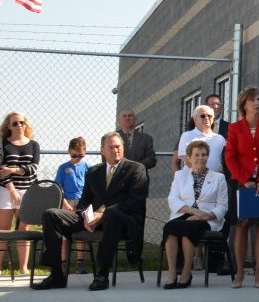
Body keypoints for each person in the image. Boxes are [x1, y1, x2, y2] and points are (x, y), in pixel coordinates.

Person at [32, 132, 149, 291]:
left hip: (121, 220)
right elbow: (84, 201)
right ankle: (56, 275)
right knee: (51, 215)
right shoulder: (94, 171)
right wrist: (85, 215)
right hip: (93, 218)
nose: (116, 150)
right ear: (102, 150)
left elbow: (135, 201)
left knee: (112, 214)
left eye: (118, 146)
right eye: (111, 147)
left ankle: (102, 274)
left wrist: (103, 213)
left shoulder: (136, 168)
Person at [224, 86, 259, 289]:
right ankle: (239, 273)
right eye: (253, 100)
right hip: (242, 182)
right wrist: (244, 178)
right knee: (241, 226)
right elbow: (230, 156)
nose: (257, 103)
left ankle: (258, 273)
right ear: (244, 104)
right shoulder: (234, 128)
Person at [161, 140, 228, 288]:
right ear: (189, 158)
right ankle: (172, 272)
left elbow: (223, 206)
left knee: (189, 228)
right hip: (184, 214)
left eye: (204, 155)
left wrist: (204, 215)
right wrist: (193, 211)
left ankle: (186, 273)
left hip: (208, 218)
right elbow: (173, 200)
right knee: (170, 227)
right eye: (196, 155)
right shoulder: (180, 175)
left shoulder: (218, 178)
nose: (200, 158)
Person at [1, 111, 41, 275]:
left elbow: (33, 169)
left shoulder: (34, 145)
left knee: (23, 228)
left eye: (22, 122)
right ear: (8, 127)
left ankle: (23, 268)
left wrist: (12, 169)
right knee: (3, 229)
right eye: (15, 123)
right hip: (5, 191)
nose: (19, 126)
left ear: (26, 124)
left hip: (28, 192)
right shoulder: (3, 144)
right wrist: (11, 189)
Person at [54, 137, 90, 275]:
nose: (77, 158)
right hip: (67, 202)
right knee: (65, 235)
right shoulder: (63, 168)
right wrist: (65, 204)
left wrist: (84, 204)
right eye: (74, 155)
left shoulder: (87, 167)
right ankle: (64, 263)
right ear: (69, 152)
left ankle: (80, 262)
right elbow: (59, 188)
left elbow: (90, 187)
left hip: (82, 202)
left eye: (81, 155)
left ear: (85, 152)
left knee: (81, 234)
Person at [178, 105, 226, 171]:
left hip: (214, 179)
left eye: (209, 116)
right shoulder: (187, 135)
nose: (207, 118)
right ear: (195, 119)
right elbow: (187, 160)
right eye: (203, 116)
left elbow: (223, 161)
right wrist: (204, 176)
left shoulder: (220, 139)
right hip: (192, 178)